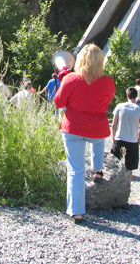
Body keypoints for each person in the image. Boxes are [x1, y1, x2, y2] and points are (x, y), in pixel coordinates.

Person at [54, 44, 116, 224]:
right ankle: (98, 169)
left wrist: (64, 81)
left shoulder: (71, 79)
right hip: (97, 128)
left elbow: (59, 103)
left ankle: (77, 212)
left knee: (76, 170)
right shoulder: (108, 82)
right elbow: (106, 99)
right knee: (98, 142)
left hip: (73, 128)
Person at [111, 87, 140, 181]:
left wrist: (113, 137)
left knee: (114, 166)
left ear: (127, 95)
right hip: (132, 140)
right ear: (136, 96)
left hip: (119, 138)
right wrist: (139, 140)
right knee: (129, 168)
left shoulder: (119, 106)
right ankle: (128, 188)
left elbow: (114, 124)